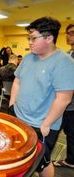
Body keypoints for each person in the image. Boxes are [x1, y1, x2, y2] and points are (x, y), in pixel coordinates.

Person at [9, 17, 74, 177]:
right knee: (18, 156)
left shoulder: (64, 62)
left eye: (33, 38)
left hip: (41, 125)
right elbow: (17, 80)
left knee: (42, 163)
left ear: (49, 38)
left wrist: (47, 124)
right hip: (18, 116)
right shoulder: (29, 57)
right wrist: (12, 105)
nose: (30, 42)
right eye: (29, 38)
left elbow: (64, 98)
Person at [53, 23, 74, 169]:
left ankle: (71, 161)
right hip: (66, 103)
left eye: (72, 33)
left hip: (71, 103)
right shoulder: (68, 53)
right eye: (67, 33)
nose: (68, 35)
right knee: (68, 132)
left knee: (71, 133)